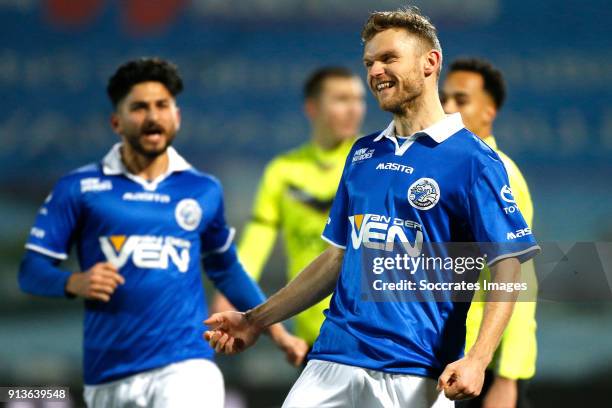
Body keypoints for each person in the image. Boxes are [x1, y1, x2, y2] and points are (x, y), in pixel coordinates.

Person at [205, 8, 540, 408]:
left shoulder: (475, 161)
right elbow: (337, 258)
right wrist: (255, 319)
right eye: (369, 63)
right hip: (333, 358)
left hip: (416, 369)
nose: (375, 71)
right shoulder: (364, 153)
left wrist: (479, 359)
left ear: (430, 62)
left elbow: (508, 267)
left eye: (388, 59)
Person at [17, 57, 304, 408]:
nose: (153, 116)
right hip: (108, 374)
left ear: (177, 116)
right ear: (116, 122)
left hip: (186, 364)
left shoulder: (202, 189)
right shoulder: (79, 188)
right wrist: (72, 282)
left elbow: (227, 270)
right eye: (139, 107)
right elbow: (30, 271)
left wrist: (279, 336)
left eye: (162, 105)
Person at [211, 66, 366, 349]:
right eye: (342, 99)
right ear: (312, 108)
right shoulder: (283, 171)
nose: (354, 109)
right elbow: (255, 246)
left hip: (365, 329)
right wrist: (232, 291)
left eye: (358, 99)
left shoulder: (372, 162)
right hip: (310, 334)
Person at [441, 58, 537, 408]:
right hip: (444, 357)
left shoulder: (501, 174)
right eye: (444, 98)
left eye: (461, 100)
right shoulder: (442, 169)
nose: (448, 108)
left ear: (489, 111)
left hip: (481, 368)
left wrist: (507, 377)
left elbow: (520, 275)